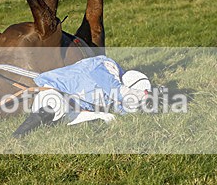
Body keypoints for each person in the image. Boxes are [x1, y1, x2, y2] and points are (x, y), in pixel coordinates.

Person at [12, 55, 152, 137]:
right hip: (52, 91)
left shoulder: (113, 95)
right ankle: (18, 135)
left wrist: (140, 107)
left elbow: (123, 110)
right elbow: (119, 91)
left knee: (108, 117)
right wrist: (142, 95)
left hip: (71, 109)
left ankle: (48, 126)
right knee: (55, 104)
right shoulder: (105, 66)